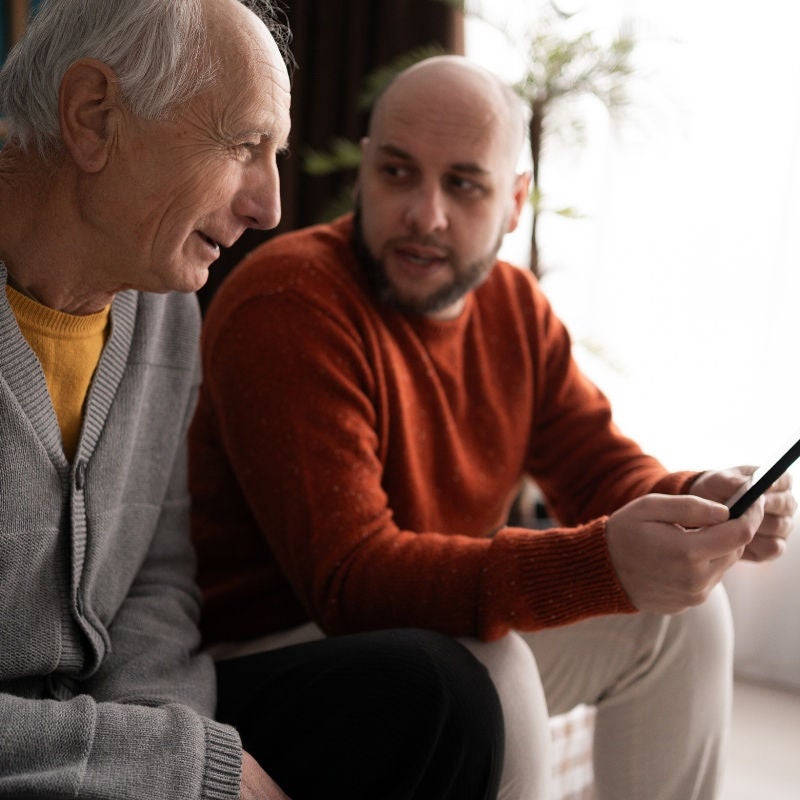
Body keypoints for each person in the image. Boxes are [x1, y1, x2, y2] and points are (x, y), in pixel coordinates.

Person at [189, 53, 796, 800]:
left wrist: (696, 499)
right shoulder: (289, 302)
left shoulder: (515, 307)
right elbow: (351, 579)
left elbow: (599, 471)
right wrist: (598, 564)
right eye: (399, 173)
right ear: (365, 171)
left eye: (464, 184)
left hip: (420, 622)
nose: (426, 214)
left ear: (514, 202)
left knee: (684, 622)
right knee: (491, 657)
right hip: (270, 651)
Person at [0, 5, 506, 799]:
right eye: (243, 146)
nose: (269, 206)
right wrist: (177, 773)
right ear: (93, 115)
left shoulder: (162, 300)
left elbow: (155, 583)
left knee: (437, 696)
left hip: (114, 727)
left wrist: (167, 747)